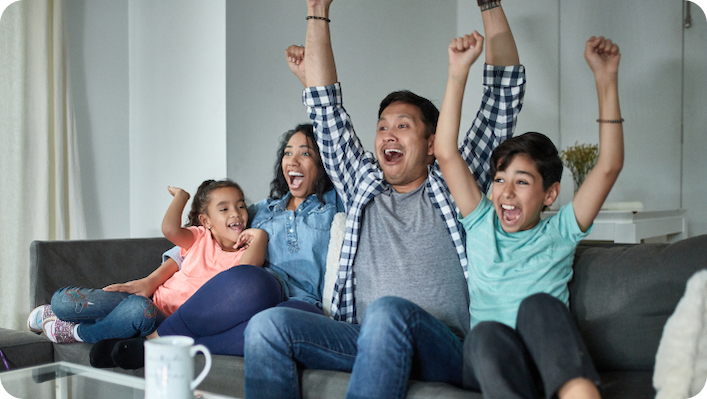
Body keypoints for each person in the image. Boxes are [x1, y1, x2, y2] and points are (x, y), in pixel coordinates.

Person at [243, 0, 525, 398]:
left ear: (431, 143)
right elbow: (326, 107)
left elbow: (502, 97)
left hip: (443, 346)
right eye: (382, 127)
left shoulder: (456, 183)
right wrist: (316, 9)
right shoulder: (363, 184)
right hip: (365, 339)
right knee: (267, 326)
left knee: (387, 312)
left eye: (403, 126)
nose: (388, 134)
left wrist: (489, 5)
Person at [435, 29, 623, 398]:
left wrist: (606, 80)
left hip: (545, 368)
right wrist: (458, 72)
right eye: (500, 179)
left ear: (549, 193)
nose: (505, 192)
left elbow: (608, 167)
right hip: (491, 364)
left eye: (521, 182)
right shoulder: (480, 220)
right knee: (485, 334)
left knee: (539, 307)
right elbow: (445, 153)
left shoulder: (560, 232)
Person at [86, 124, 344, 369]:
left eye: (305, 153)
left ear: (323, 164)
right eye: (288, 153)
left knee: (281, 324)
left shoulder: (337, 206)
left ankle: (156, 346)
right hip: (252, 288)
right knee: (252, 280)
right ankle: (160, 337)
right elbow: (207, 238)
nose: (293, 161)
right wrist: (152, 279)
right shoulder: (263, 210)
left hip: (300, 299)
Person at [27, 179, 268, 346]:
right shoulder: (199, 238)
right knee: (62, 300)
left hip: (165, 320)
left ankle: (76, 332)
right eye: (224, 209)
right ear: (206, 221)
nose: (236, 213)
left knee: (138, 311)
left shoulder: (241, 256)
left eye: (240, 206)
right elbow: (170, 229)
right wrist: (181, 198)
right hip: (150, 299)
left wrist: (260, 235)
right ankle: (65, 315)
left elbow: (244, 276)